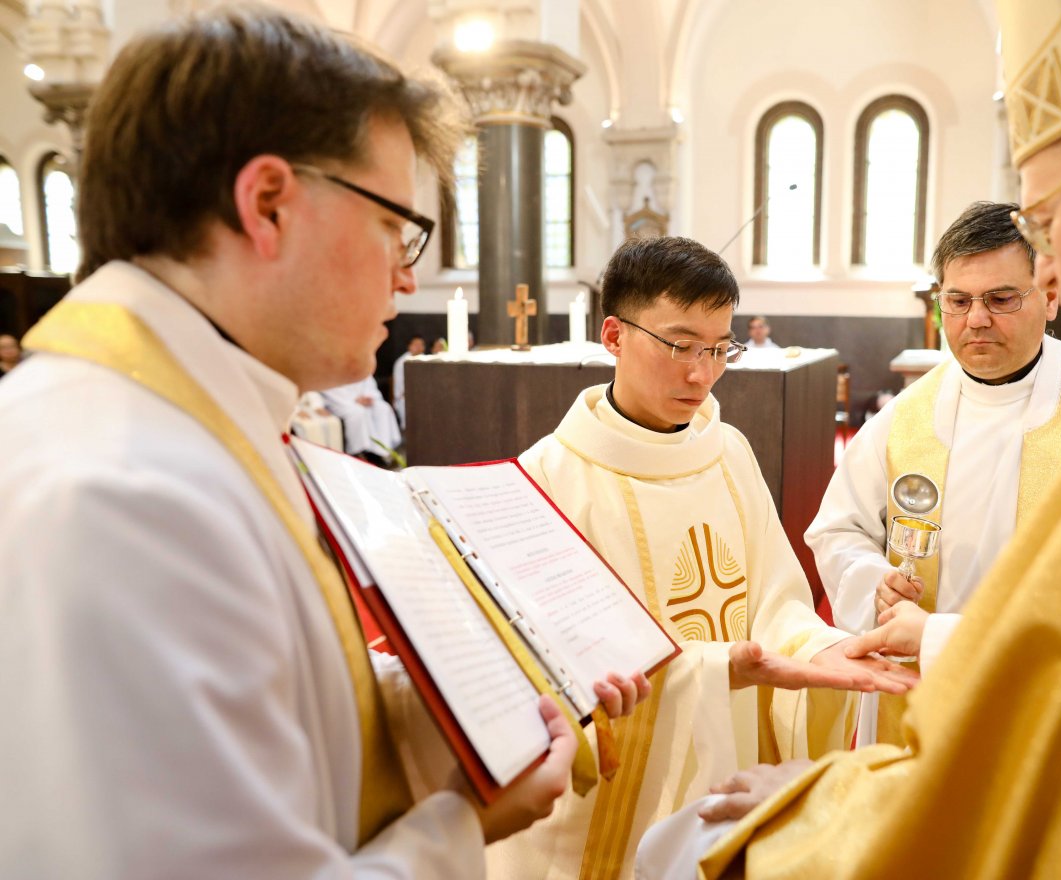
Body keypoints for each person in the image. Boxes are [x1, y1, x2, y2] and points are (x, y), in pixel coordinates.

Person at [636, 0, 1061, 876]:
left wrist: (820, 808)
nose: (1056, 272)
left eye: (1050, 220)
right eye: (959, 298)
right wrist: (887, 604)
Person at [0, 8, 646, 877]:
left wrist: (464, 711)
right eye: (395, 226)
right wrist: (463, 822)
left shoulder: (184, 416)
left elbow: (271, 700)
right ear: (267, 204)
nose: (408, 273)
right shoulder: (124, 491)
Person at [486, 236, 917, 879]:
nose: (701, 373)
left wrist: (814, 648)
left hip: (730, 751)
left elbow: (774, 602)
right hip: (612, 805)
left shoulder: (729, 451)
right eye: (680, 346)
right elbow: (551, 666)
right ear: (613, 335)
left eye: (719, 349)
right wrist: (717, 669)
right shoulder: (547, 481)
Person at [805, 200, 1061, 744]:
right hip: (918, 703)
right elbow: (838, 529)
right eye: (957, 301)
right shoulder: (907, 416)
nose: (976, 319)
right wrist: (877, 587)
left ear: (1051, 297)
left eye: (1001, 298)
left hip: (1047, 704)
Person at [323, 373, 402, 461]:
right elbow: (329, 387)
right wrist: (354, 400)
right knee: (358, 413)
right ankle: (358, 451)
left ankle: (383, 450)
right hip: (342, 402)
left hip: (362, 399)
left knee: (383, 408)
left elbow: (368, 382)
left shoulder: (359, 364)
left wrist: (368, 397)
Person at [392, 333, 425, 426]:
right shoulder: (402, 362)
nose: (419, 347)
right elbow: (400, 388)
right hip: (404, 398)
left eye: (421, 345)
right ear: (409, 346)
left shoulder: (425, 360)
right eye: (416, 345)